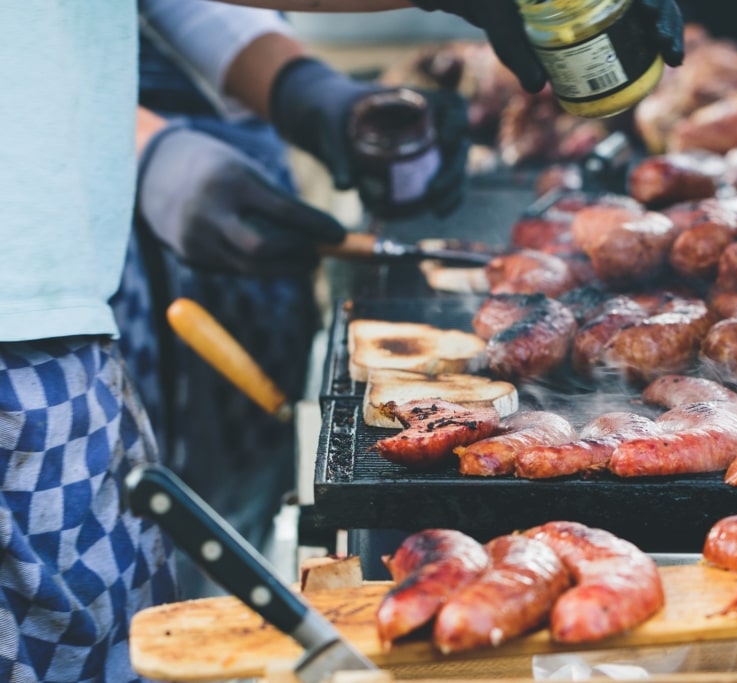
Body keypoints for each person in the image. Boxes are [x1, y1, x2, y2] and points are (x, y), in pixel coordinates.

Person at [0, 3, 683, 681]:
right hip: (23, 324)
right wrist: (149, 147)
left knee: (130, 627)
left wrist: (300, 90)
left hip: (63, 290)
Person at [115, 1, 469, 598]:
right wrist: (146, 152)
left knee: (244, 509)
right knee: (133, 520)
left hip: (231, 162)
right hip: (75, 222)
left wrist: (301, 91)